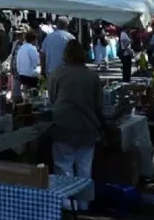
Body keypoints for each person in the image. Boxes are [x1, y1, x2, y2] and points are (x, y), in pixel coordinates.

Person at [48, 39, 103, 208]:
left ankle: (66, 204)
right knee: (84, 167)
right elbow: (98, 104)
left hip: (63, 124)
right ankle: (84, 203)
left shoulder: (58, 72)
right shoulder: (92, 75)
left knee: (63, 166)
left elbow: (52, 98)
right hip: (87, 126)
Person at [14, 29, 40, 101]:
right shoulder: (32, 48)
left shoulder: (21, 48)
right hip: (30, 76)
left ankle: (26, 99)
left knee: (26, 91)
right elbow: (36, 62)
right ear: (33, 40)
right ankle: (35, 99)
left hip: (21, 75)